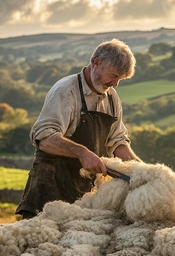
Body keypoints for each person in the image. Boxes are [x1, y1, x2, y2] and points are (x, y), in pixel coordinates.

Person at [16, 38, 141, 219]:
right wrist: (83, 153)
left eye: (120, 79)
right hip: (50, 188)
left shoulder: (112, 97)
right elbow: (45, 138)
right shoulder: (65, 91)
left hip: (84, 194)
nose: (115, 84)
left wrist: (140, 171)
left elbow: (118, 141)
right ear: (96, 63)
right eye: (113, 76)